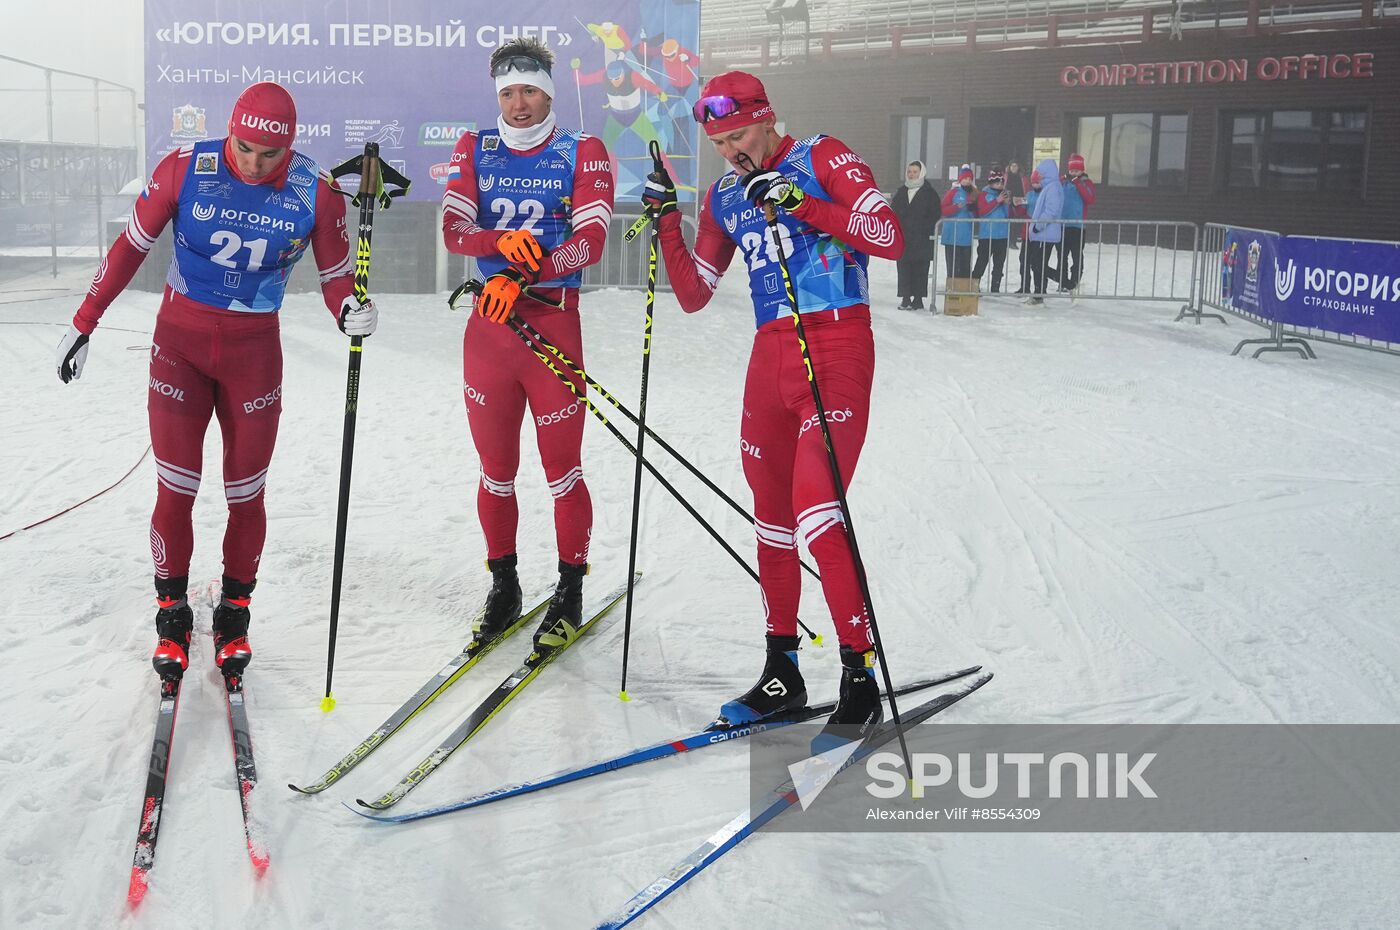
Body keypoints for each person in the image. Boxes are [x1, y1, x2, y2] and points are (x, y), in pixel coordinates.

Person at [53, 81, 374, 682]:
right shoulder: (185, 168)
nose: (253, 163)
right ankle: (171, 619)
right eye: (244, 147)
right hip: (180, 346)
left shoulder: (317, 191)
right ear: (230, 131)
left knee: (245, 492)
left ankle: (235, 615)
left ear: (291, 147)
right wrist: (83, 322)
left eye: (268, 154)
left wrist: (348, 309)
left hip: (254, 355)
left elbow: (335, 276)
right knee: (176, 485)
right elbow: (129, 248)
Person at [640, 71, 904, 736]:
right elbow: (696, 290)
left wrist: (799, 202)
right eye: (718, 141)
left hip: (836, 347)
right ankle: (781, 671)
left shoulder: (821, 156)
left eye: (738, 135)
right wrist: (667, 219)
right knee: (772, 520)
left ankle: (858, 675)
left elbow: (887, 234)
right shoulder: (728, 195)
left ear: (767, 118)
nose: (729, 150)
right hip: (769, 359)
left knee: (818, 509)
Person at [440, 38, 615, 651]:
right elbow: (454, 230)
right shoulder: (476, 147)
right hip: (491, 331)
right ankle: (505, 584)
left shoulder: (581, 150)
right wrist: (497, 240)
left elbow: (590, 240)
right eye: (509, 93)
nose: (519, 105)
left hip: (551, 322)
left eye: (531, 92)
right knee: (496, 473)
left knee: (562, 471)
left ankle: (570, 588)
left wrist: (527, 270)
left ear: (550, 92)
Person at [890, 160, 938, 310]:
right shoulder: (901, 192)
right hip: (904, 237)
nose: (912, 174)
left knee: (920, 269)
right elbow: (894, 211)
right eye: (909, 171)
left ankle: (918, 299)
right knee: (904, 268)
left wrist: (924, 227)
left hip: (922, 238)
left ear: (921, 173)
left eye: (915, 172)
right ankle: (905, 298)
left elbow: (935, 214)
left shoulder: (930, 193)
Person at [1052, 152, 1097, 295]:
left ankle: (1075, 280)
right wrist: (1061, 179)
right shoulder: (1063, 182)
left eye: (1077, 170)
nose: (1074, 173)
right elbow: (1053, 190)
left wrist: (1078, 183)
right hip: (1061, 225)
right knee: (1061, 255)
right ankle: (1063, 281)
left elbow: (1090, 198)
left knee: (1076, 255)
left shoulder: (1086, 183)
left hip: (1077, 226)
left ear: (1082, 170)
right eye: (1072, 170)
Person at [1025, 159, 1063, 305]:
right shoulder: (1050, 187)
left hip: (1045, 234)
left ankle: (1065, 283)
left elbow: (1051, 211)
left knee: (1038, 264)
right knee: (1038, 264)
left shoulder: (1052, 188)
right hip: (1044, 234)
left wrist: (1037, 226)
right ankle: (1039, 292)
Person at [972, 168, 1011, 293]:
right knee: (982, 261)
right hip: (987, 235)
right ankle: (974, 285)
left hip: (1002, 235)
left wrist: (1006, 204)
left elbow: (1008, 215)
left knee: (999, 263)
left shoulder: (1004, 194)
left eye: (1001, 183)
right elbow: (983, 211)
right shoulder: (984, 195)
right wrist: (996, 201)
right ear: (991, 183)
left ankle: (995, 287)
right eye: (997, 182)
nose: (999, 185)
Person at [939, 164, 979, 278]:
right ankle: (952, 286)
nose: (967, 181)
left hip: (966, 235)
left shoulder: (974, 194)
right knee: (952, 265)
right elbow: (942, 209)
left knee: (965, 264)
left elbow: (977, 215)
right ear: (960, 179)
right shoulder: (952, 192)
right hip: (952, 235)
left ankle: (964, 287)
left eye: (970, 179)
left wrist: (972, 210)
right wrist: (956, 207)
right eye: (965, 178)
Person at [1005, 160, 1026, 250]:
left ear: (1018, 167)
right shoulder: (1006, 177)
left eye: (1015, 165)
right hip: (1008, 203)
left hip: (1019, 202)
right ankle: (1009, 240)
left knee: (1017, 222)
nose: (1013, 167)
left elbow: (1025, 190)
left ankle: (1014, 239)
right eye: (1012, 166)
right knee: (1009, 223)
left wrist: (1023, 200)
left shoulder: (1022, 178)